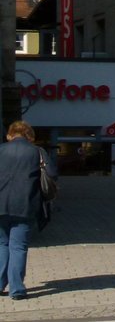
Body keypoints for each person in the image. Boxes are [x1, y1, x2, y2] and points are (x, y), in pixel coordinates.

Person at [0, 121, 50, 300]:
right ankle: (17, 289)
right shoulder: (37, 152)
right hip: (25, 204)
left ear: (10, 134)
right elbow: (52, 175)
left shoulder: (1, 150)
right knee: (18, 247)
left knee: (2, 245)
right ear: (30, 135)